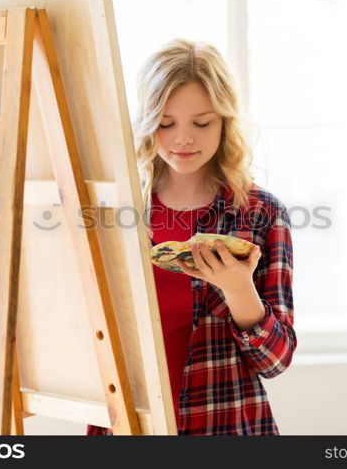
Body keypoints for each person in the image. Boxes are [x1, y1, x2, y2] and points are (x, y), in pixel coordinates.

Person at [86, 38, 296, 435]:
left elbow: (276, 361)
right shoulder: (112, 209)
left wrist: (239, 290)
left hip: (224, 424)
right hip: (127, 425)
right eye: (166, 123)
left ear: (225, 123)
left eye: (202, 123)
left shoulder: (260, 214)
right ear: (147, 122)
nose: (184, 138)